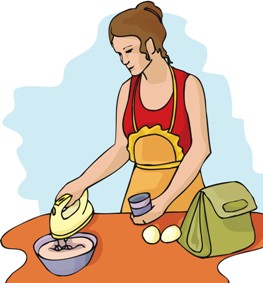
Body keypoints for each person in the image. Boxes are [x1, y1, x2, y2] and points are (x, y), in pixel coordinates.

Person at [56, 1, 211, 224]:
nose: (124, 60)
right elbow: (121, 148)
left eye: (128, 51)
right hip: (139, 194)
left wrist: (165, 200)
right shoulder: (127, 91)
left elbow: (200, 149)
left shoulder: (189, 86)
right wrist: (80, 183)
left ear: (150, 45)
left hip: (183, 193)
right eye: (119, 53)